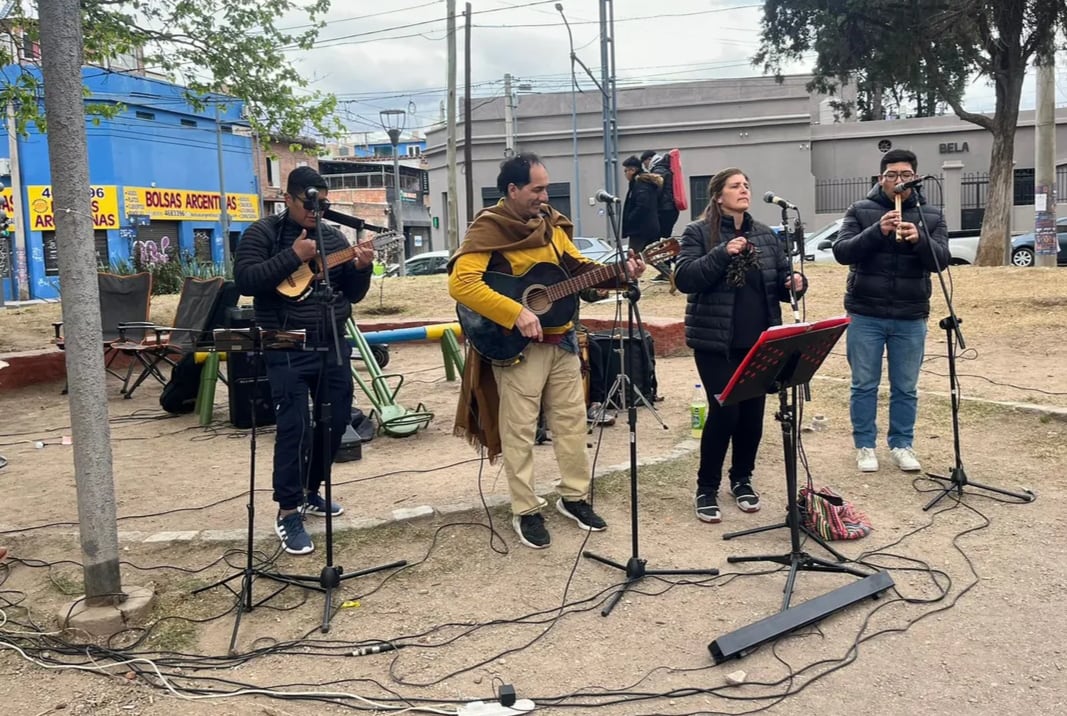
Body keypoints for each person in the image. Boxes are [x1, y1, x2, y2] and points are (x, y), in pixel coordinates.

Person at [449, 152, 645, 549]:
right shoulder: (490, 228)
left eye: (545, 187)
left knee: (572, 422)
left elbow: (578, 273)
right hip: (519, 347)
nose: (544, 195)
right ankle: (526, 509)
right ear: (513, 189)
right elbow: (462, 284)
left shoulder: (552, 225)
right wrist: (515, 311)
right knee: (519, 430)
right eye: (537, 188)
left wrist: (620, 275)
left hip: (563, 340)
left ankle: (573, 496)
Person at [234, 166, 375, 555]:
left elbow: (354, 293)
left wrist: (362, 268)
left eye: (323, 203)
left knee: (335, 421)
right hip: (283, 343)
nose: (317, 210)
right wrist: (292, 256)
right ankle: (288, 510)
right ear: (288, 199)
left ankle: (312, 489)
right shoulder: (261, 234)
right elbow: (244, 280)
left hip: (330, 340)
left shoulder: (333, 238)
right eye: (309, 203)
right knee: (293, 426)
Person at [674, 167, 806, 523]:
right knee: (725, 411)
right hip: (716, 342)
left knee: (752, 416)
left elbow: (778, 282)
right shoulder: (698, 233)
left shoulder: (765, 235)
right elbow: (685, 278)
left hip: (759, 341)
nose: (744, 190)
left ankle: (742, 479)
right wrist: (722, 252)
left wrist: (794, 283)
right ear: (718, 196)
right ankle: (706, 487)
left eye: (747, 184)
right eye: (735, 186)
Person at [832, 148, 949, 474]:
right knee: (864, 384)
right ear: (881, 179)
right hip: (865, 313)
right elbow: (842, 252)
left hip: (910, 315)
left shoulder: (932, 215)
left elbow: (941, 261)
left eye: (905, 175)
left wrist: (919, 239)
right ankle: (865, 446)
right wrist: (876, 231)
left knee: (906, 387)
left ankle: (901, 444)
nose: (899, 181)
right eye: (892, 175)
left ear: (915, 178)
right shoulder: (860, 210)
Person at [621, 155, 662, 256]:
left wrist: (630, 219)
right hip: (648, 229)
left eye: (626, 170)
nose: (625, 174)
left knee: (634, 259)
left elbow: (642, 206)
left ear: (632, 170)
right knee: (650, 259)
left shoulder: (640, 184)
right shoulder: (643, 183)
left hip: (640, 230)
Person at [641, 149, 679, 238]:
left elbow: (656, 191)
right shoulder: (664, 167)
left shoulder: (658, 170)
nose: (645, 167)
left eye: (645, 163)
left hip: (664, 209)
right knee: (664, 237)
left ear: (649, 159)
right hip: (670, 208)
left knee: (660, 240)